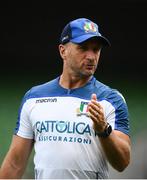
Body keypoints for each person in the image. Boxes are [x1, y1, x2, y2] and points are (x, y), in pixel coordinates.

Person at [0, 17, 131, 179]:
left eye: (96, 49)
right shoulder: (33, 98)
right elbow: (14, 164)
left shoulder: (111, 99)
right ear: (63, 51)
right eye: (83, 48)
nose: (91, 56)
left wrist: (103, 130)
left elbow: (123, 163)